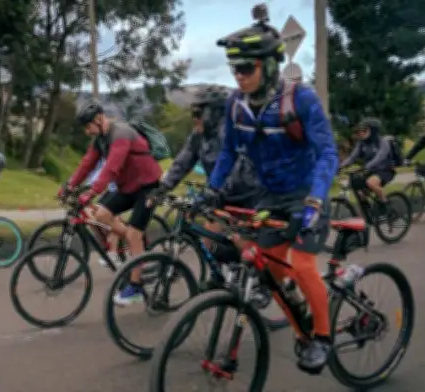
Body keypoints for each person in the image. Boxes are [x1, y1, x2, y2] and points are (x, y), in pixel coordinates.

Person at [210, 18, 338, 373]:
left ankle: (323, 337)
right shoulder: (236, 105)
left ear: (268, 66)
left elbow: (328, 154)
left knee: (301, 264)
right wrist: (211, 191)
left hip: (306, 193)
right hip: (271, 196)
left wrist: (315, 200)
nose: (238, 75)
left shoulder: (302, 99)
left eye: (245, 67)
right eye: (233, 67)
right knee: (269, 271)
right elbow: (227, 154)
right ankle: (303, 329)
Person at [151, 86, 263, 287]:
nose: (194, 118)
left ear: (215, 112)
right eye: (192, 112)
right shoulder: (199, 135)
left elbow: (238, 169)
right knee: (208, 240)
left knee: (240, 240)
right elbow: (183, 161)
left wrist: (216, 193)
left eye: (198, 113)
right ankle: (220, 276)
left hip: (247, 194)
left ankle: (259, 281)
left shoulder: (228, 132)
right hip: (220, 195)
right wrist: (163, 186)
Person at [65, 102, 162, 306]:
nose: (86, 130)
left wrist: (92, 191)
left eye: (88, 125)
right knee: (101, 215)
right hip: (128, 187)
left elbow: (112, 167)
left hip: (147, 186)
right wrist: (70, 186)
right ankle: (131, 242)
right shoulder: (100, 140)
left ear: (100, 119)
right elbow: (87, 163)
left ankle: (135, 287)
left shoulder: (121, 133)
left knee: (134, 233)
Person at [339, 118, 396, 208]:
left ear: (373, 130)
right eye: (361, 130)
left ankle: (386, 204)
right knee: (359, 191)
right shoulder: (361, 143)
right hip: (370, 170)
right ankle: (369, 215)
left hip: (385, 170)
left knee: (371, 183)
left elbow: (380, 157)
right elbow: (352, 157)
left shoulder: (382, 142)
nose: (361, 133)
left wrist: (367, 166)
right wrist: (341, 166)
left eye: (365, 130)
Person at [84, 159, 120, 267]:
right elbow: (89, 169)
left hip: (120, 187)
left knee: (111, 216)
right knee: (89, 215)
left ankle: (113, 254)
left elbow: (106, 171)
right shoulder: (100, 149)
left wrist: (92, 189)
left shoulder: (115, 147)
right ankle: (107, 245)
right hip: (108, 188)